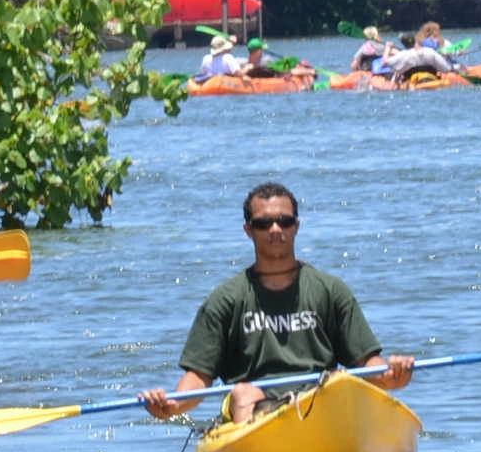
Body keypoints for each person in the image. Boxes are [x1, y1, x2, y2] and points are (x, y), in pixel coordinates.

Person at [141, 182, 415, 426]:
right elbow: (199, 377)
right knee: (243, 392)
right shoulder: (225, 300)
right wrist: (172, 405)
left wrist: (392, 375)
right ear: (248, 230)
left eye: (284, 221)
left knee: (339, 381)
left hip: (320, 398)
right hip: (254, 407)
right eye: (263, 223)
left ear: (296, 226)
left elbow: (367, 361)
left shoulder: (330, 290)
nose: (275, 230)